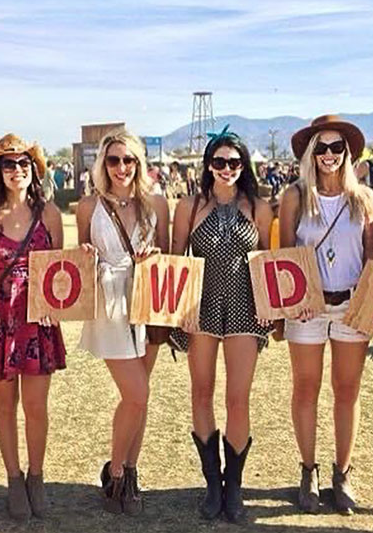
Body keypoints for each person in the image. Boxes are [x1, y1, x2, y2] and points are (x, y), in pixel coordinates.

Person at [170, 126, 273, 523]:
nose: (227, 168)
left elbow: (269, 263)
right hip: (201, 308)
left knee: (237, 398)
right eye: (219, 161)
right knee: (201, 392)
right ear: (208, 165)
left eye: (234, 162)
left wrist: (271, 306)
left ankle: (235, 486)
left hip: (246, 310)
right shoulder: (190, 207)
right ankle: (212, 484)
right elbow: (177, 257)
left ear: (243, 165)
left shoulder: (259, 208)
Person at [0, 134, 67, 520]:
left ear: (34, 170)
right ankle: (13, 478)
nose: (17, 170)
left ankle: (37, 477)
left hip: (38, 323)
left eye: (24, 163)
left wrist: (59, 305)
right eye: (9, 164)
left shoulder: (50, 213)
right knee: (5, 407)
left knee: (37, 408)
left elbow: (60, 273)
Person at [279, 115, 373, 516]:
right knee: (305, 387)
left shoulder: (364, 199)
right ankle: (308, 469)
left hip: (352, 305)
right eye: (321, 147)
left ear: (348, 153)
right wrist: (293, 299)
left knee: (347, 389)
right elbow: (284, 256)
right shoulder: (295, 196)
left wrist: (368, 307)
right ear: (310, 153)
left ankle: (342, 472)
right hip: (307, 307)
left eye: (337, 147)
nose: (329, 155)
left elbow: (372, 257)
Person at [76, 130, 169, 515]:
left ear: (139, 163)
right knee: (137, 394)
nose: (121, 168)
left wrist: (156, 253)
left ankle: (130, 471)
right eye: (113, 160)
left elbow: (170, 255)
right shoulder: (87, 206)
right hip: (110, 302)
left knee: (140, 395)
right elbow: (78, 260)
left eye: (128, 160)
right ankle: (115, 472)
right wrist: (84, 253)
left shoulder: (157, 204)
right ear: (103, 164)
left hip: (147, 301)